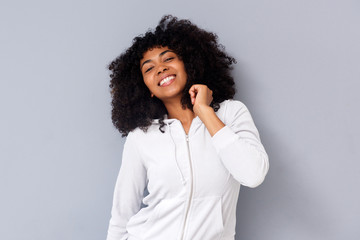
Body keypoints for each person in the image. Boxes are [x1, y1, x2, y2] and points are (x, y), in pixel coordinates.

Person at [106, 15, 269, 240]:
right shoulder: (141, 137)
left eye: (168, 59)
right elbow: (121, 216)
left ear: (188, 63)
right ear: (148, 88)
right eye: (149, 68)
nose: (161, 69)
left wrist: (204, 111)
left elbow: (253, 175)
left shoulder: (231, 114)